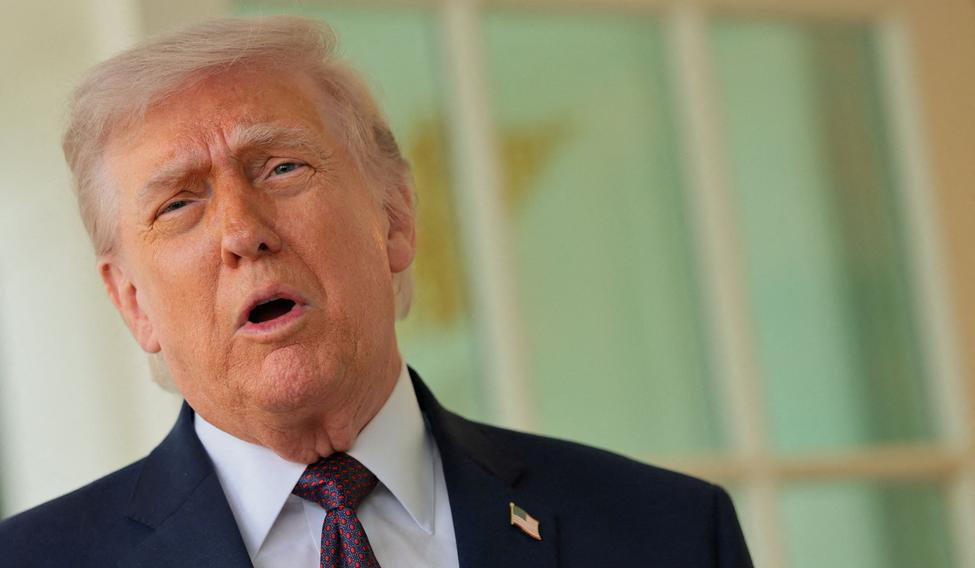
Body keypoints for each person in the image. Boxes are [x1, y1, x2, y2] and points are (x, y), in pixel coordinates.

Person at [0, 16, 752, 567]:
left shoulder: (669, 532)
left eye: (280, 167)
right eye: (178, 204)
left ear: (393, 218)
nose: (241, 232)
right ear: (132, 302)